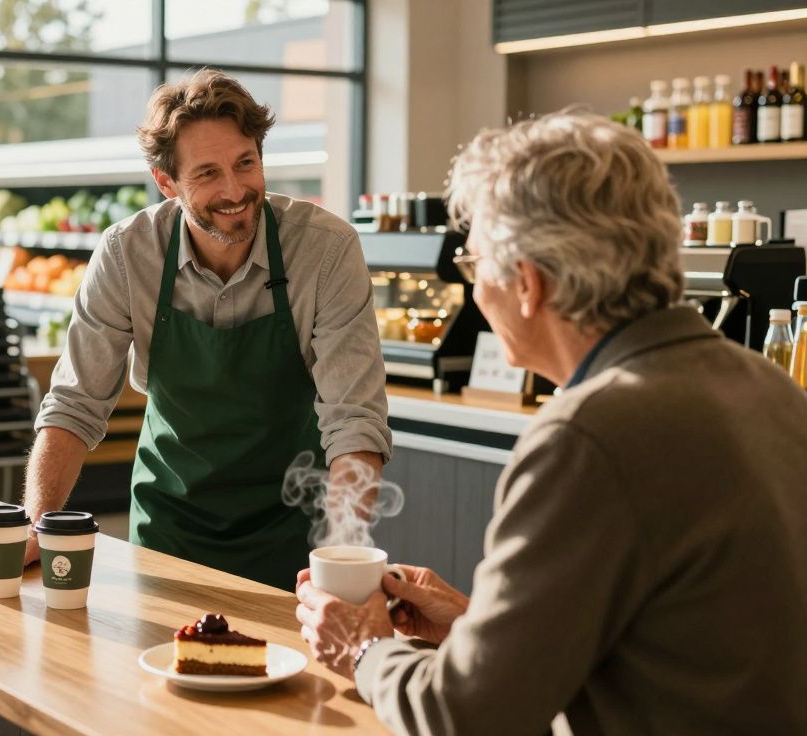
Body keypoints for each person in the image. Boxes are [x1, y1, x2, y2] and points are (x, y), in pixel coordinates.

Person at [296, 111, 807, 734]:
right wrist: (475, 620)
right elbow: (674, 641)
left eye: (475, 263)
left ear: (529, 285)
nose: (476, 287)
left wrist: (365, 649)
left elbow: (465, 717)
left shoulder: (587, 435)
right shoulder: (770, 388)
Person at [0, 69, 392, 589]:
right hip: (170, 534)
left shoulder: (325, 249)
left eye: (246, 163)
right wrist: (35, 524)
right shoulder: (127, 254)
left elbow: (354, 423)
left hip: (293, 540)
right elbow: (75, 405)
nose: (235, 190)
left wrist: (342, 556)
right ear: (166, 182)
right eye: (207, 173)